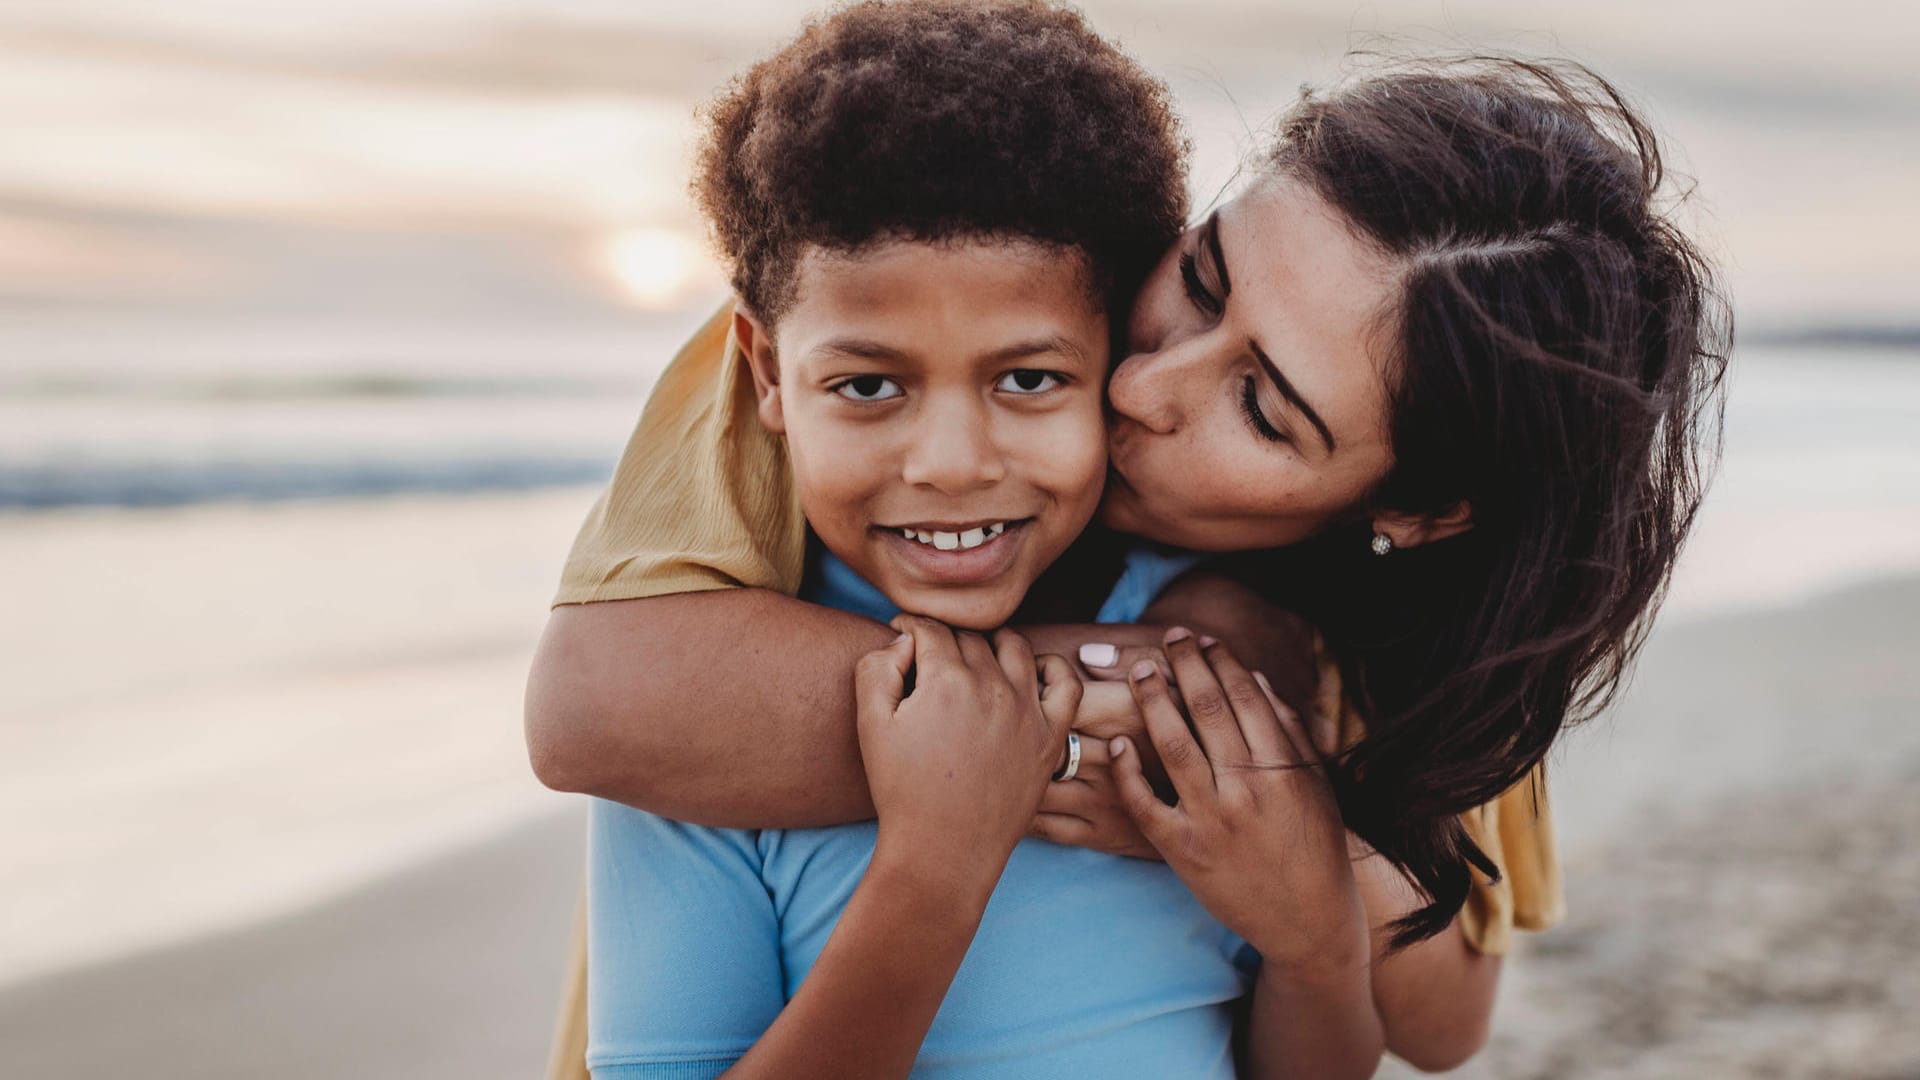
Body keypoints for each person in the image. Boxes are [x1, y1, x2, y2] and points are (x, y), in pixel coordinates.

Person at [528, 5, 1730, 1076]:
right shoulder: (900, 297)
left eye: (1263, 408)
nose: (1146, 380)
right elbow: (592, 707)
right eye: (1203, 281)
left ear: (1414, 513)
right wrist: (1151, 686)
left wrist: (1289, 822)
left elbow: (1442, 1020)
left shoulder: (1470, 605)